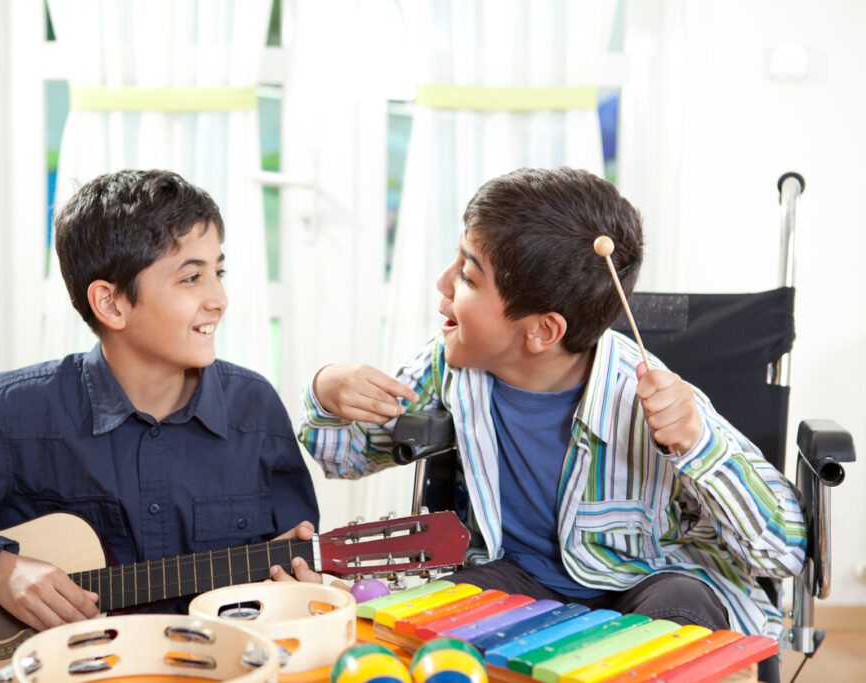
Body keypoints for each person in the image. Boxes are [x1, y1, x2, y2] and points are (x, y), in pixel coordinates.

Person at [297, 167, 806, 643]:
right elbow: (343, 456)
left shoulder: (652, 394)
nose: (442, 283)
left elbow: (784, 551)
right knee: (443, 613)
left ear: (542, 330)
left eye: (469, 278)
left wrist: (698, 443)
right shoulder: (448, 367)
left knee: (681, 608)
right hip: (517, 577)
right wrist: (325, 390)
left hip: (652, 578)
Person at [0, 169, 320, 632]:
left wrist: (300, 586)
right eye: (192, 278)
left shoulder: (254, 408)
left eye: (219, 271)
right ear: (110, 303)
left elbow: (297, 570)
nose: (220, 298)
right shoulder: (14, 412)